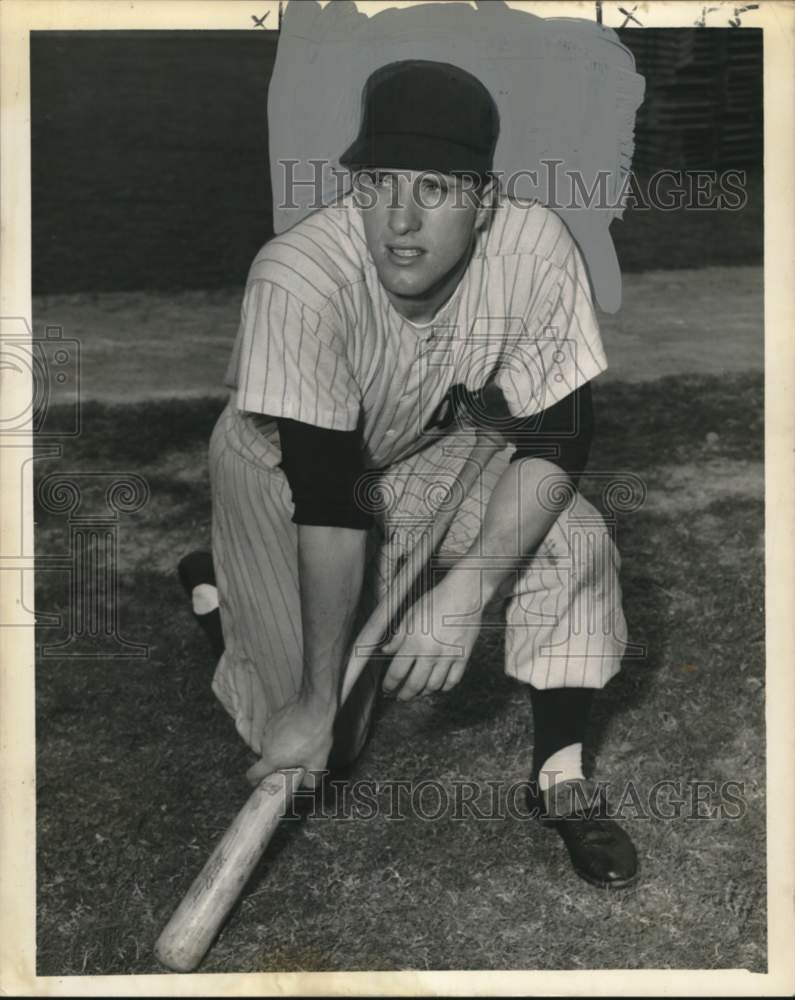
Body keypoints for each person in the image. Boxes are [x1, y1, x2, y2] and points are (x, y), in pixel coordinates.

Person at [180, 60, 638, 888]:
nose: (398, 219)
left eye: (433, 187)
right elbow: (328, 495)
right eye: (379, 183)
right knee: (319, 740)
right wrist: (318, 701)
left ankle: (560, 777)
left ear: (484, 200)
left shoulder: (533, 249)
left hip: (423, 445)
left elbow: (559, 439)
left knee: (573, 540)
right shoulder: (299, 277)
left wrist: (464, 592)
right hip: (280, 469)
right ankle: (221, 598)